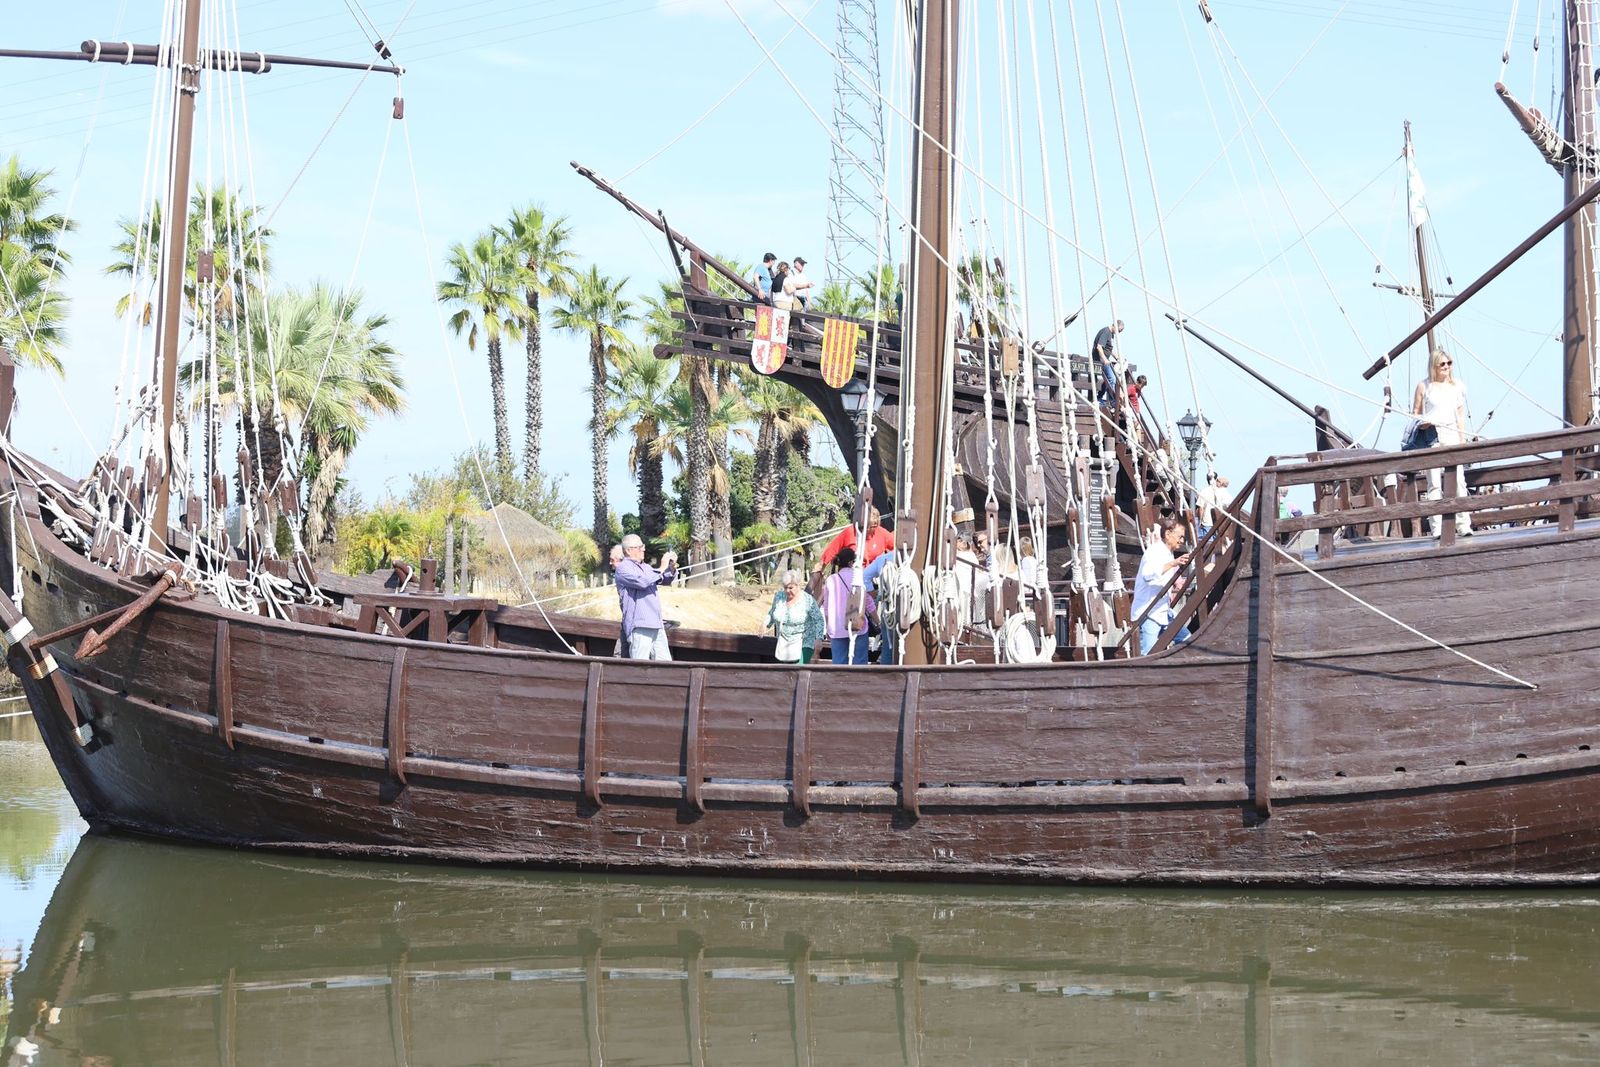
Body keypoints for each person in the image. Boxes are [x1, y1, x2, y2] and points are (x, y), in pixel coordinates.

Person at [1412, 347, 1473, 538]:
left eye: (1449, 363)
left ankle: (1463, 525)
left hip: (1452, 434)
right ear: (1434, 366)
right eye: (1442, 364)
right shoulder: (1424, 386)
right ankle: (1436, 528)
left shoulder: (1458, 386)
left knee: (1459, 483)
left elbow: (1460, 415)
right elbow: (1415, 413)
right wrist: (1422, 424)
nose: (1447, 367)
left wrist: (1462, 441)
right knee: (1434, 484)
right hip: (1432, 436)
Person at [1131, 516, 1192, 656]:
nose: (1182, 541)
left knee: (1186, 640)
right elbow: (1148, 575)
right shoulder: (1154, 552)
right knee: (1149, 654)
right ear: (1168, 534)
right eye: (1180, 537)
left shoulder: (1168, 554)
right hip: (1149, 612)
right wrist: (1173, 564)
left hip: (1163, 611)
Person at [614, 534, 678, 660]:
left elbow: (664, 579)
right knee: (639, 666)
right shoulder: (623, 568)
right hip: (640, 625)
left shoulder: (646, 567)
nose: (643, 549)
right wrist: (662, 567)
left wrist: (671, 567)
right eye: (640, 547)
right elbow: (643, 582)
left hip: (656, 624)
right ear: (628, 550)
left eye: (643, 546)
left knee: (666, 666)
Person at [822, 547, 876, 664]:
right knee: (860, 664)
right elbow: (868, 602)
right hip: (858, 626)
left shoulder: (831, 580)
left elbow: (826, 608)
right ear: (851, 562)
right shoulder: (857, 578)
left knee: (839, 664)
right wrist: (878, 621)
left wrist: (828, 627)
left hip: (837, 628)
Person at [766, 569, 824, 663]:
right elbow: (772, 612)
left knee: (797, 672)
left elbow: (819, 619)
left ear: (797, 585)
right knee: (786, 673)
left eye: (790, 588)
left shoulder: (807, 600)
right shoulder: (779, 596)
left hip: (804, 641)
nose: (787, 591)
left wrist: (819, 638)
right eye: (785, 588)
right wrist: (765, 624)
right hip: (785, 641)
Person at [816, 507, 893, 571]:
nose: (873, 528)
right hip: (850, 573)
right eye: (870, 526)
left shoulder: (882, 533)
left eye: (875, 526)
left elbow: (898, 548)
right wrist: (820, 566)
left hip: (872, 575)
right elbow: (832, 549)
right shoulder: (850, 532)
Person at [1093, 319, 1124, 407]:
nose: (1119, 333)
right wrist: (1104, 359)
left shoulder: (1111, 334)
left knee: (1107, 380)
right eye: (1119, 330)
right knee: (1112, 379)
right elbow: (1099, 347)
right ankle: (1113, 401)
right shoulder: (1106, 332)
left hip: (1104, 359)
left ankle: (1099, 397)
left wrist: (1117, 357)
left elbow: (1109, 349)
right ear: (1115, 326)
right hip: (1100, 360)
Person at [1196, 474, 1230, 538]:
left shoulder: (1205, 491)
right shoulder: (1227, 495)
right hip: (1220, 524)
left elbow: (1201, 508)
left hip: (1207, 523)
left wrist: (1200, 522)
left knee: (1205, 543)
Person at [608, 543, 627, 656]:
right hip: (627, 620)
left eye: (612, 560)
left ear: (621, 560)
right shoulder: (620, 574)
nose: (610, 563)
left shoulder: (623, 572)